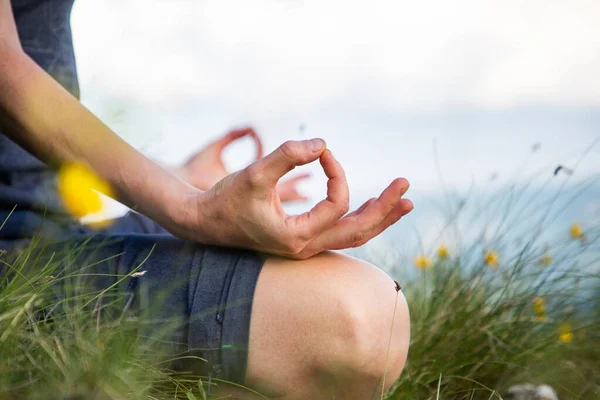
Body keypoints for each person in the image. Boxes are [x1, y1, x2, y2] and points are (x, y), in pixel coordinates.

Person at [0, 0, 413, 398]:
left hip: (57, 229)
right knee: (359, 321)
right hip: (14, 265)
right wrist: (190, 209)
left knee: (381, 316)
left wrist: (185, 181)